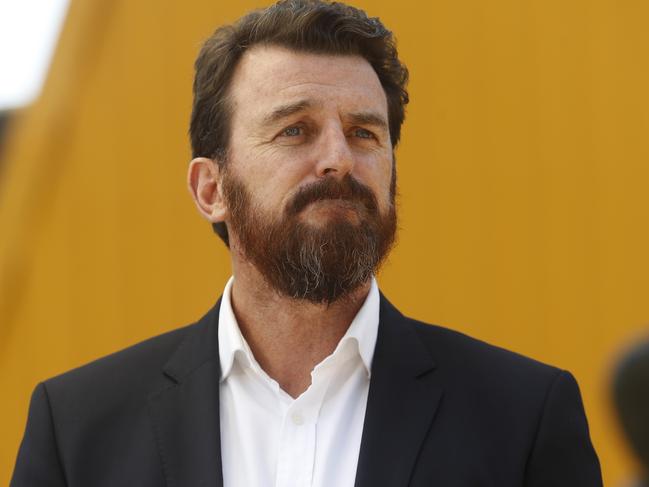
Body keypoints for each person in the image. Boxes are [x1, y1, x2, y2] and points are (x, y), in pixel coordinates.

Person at [11, 1, 602, 486]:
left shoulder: (522, 417)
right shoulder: (79, 431)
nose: (339, 160)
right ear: (211, 189)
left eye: (363, 133)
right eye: (295, 130)